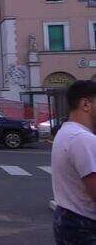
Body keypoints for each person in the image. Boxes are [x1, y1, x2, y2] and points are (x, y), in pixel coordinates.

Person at [52, 80, 96, 243]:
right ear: (86, 104)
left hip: (68, 219)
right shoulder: (83, 139)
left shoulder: (66, 132)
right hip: (86, 226)